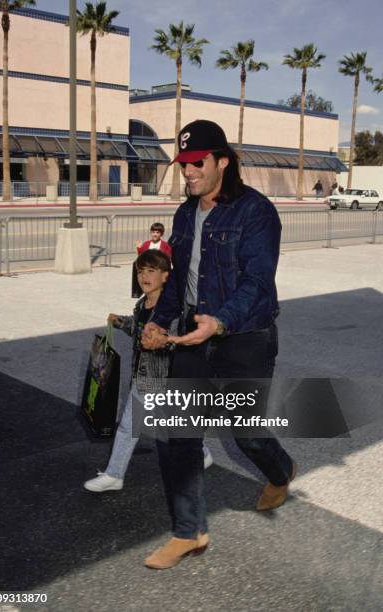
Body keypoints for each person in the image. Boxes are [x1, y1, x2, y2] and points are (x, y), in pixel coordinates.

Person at [141, 119, 297, 570]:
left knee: (244, 432)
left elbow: (256, 282)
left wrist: (221, 322)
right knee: (176, 434)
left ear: (222, 162)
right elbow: (177, 283)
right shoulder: (185, 214)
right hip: (192, 335)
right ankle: (189, 532)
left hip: (244, 336)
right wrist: (157, 321)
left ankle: (281, 470)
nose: (187, 172)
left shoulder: (256, 211)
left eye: (196, 163)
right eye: (183, 163)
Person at [84, 249, 212, 493]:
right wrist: (120, 322)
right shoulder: (143, 303)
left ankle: (114, 474)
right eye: (141, 271)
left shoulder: (171, 308)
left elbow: (174, 338)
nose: (144, 276)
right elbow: (138, 328)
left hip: (157, 375)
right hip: (145, 374)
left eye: (151, 271)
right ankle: (202, 452)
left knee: (129, 427)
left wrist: (162, 339)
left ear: (165, 276)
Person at [132, 223, 172, 298]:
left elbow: (167, 260)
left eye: (157, 232)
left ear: (161, 234)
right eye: (153, 232)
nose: (155, 234)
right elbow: (142, 258)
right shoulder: (146, 244)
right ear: (150, 233)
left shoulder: (165, 246)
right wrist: (139, 248)